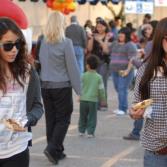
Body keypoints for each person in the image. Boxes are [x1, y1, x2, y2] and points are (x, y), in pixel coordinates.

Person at [0, 17, 44, 167]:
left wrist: (25, 121)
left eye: (18, 44)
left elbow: (38, 107)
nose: (14, 50)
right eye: (8, 45)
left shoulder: (27, 71)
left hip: (17, 150)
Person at [38, 12, 81, 165]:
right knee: (63, 119)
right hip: (61, 86)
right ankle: (52, 148)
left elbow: (41, 63)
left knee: (51, 119)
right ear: (61, 24)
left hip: (46, 86)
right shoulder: (66, 42)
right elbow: (73, 68)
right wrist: (80, 90)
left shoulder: (42, 41)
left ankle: (56, 151)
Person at [130, 17, 167, 167]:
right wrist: (135, 112)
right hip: (156, 151)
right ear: (159, 39)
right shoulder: (146, 70)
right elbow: (136, 105)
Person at [78, 55, 106, 138]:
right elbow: (101, 89)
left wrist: (79, 96)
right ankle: (90, 132)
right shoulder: (99, 77)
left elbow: (80, 87)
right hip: (93, 101)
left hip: (83, 100)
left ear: (87, 65)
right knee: (92, 117)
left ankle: (81, 131)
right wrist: (103, 99)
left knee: (82, 116)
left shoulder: (83, 75)